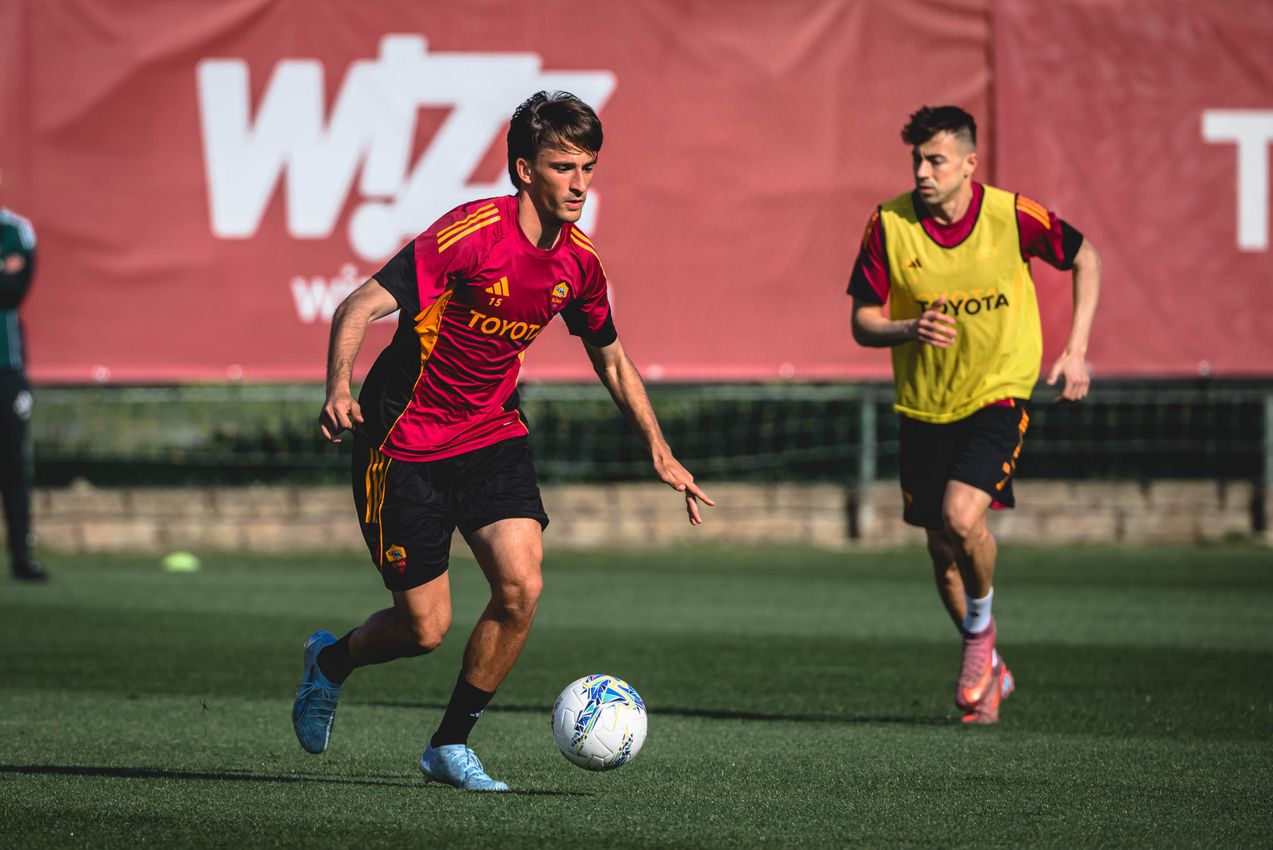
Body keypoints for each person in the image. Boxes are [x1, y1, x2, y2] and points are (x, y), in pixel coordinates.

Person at [293, 91, 714, 790]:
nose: (580, 184)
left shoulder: (578, 264)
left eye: (588, 167)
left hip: (491, 435)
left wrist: (659, 450)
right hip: (403, 445)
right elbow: (357, 305)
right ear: (524, 169)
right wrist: (338, 388)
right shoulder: (469, 235)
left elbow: (610, 355)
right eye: (563, 167)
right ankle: (330, 664)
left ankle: (449, 745)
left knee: (521, 587)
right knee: (423, 630)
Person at [847, 106, 1100, 724]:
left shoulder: (1013, 215)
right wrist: (908, 326)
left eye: (936, 160)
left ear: (968, 164)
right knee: (941, 551)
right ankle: (990, 668)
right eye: (916, 161)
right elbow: (862, 323)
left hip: (999, 392)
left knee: (963, 518)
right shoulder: (888, 224)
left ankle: (980, 639)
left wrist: (1075, 351)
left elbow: (1085, 256)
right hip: (924, 405)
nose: (923, 172)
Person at [0, 171, 46, 582]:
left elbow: (12, 288)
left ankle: (21, 557)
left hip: (5, 367)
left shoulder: (14, 229)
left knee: (13, 463)